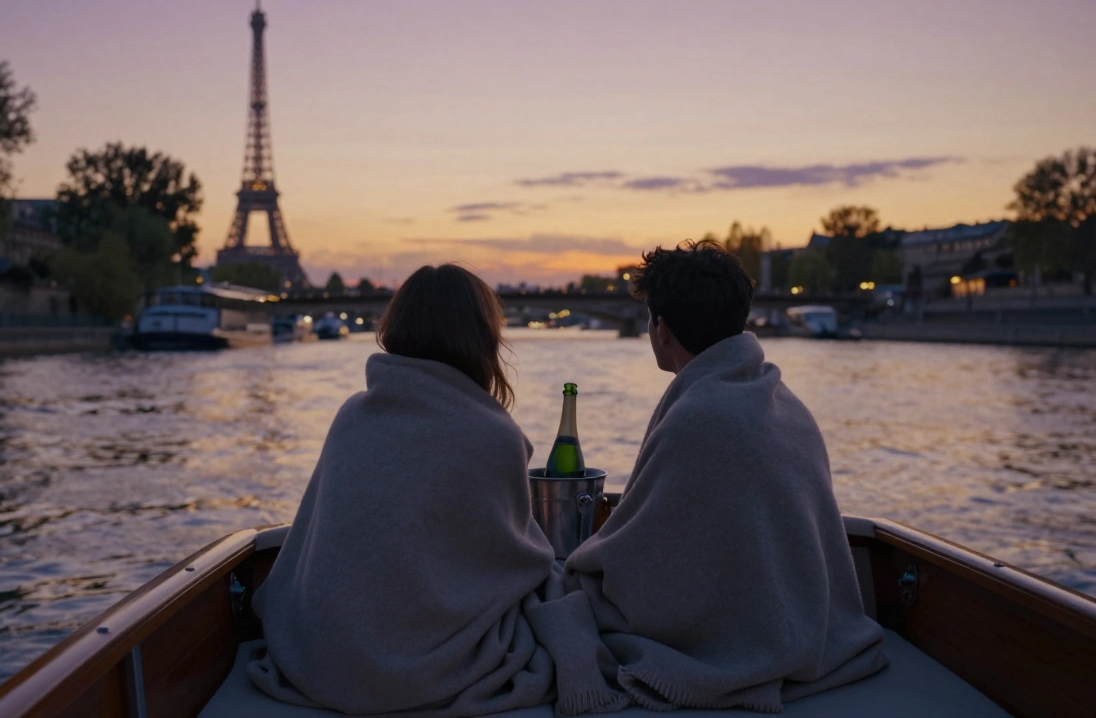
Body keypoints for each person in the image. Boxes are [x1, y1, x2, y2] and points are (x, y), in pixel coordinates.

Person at [539, 239, 887, 713]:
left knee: (561, 590)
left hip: (755, 634)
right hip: (808, 623)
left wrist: (579, 565)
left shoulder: (698, 417)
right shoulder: (787, 403)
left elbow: (642, 563)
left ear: (661, 329)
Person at [247, 264, 559, 716]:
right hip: (424, 667)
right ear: (481, 336)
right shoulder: (493, 435)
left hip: (325, 658)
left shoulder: (352, 416)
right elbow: (516, 561)